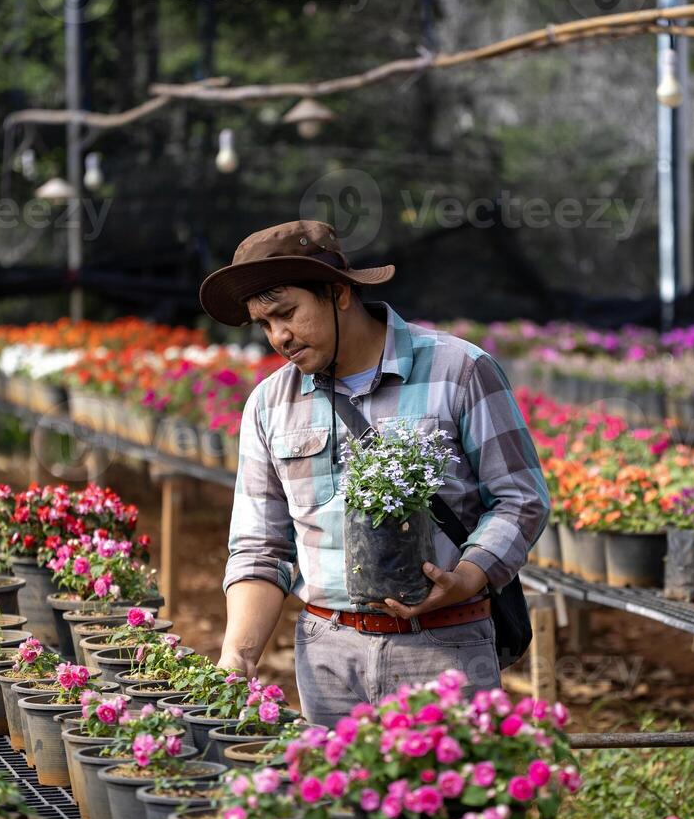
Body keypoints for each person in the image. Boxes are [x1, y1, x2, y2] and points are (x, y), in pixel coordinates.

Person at [199, 219, 550, 726]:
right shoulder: (269, 405)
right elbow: (260, 545)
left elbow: (521, 497)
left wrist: (467, 577)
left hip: (444, 642)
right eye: (264, 325)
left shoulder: (459, 370)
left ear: (339, 293)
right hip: (327, 651)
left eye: (287, 313)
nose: (279, 336)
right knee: (340, 804)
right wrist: (238, 658)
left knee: (449, 802)